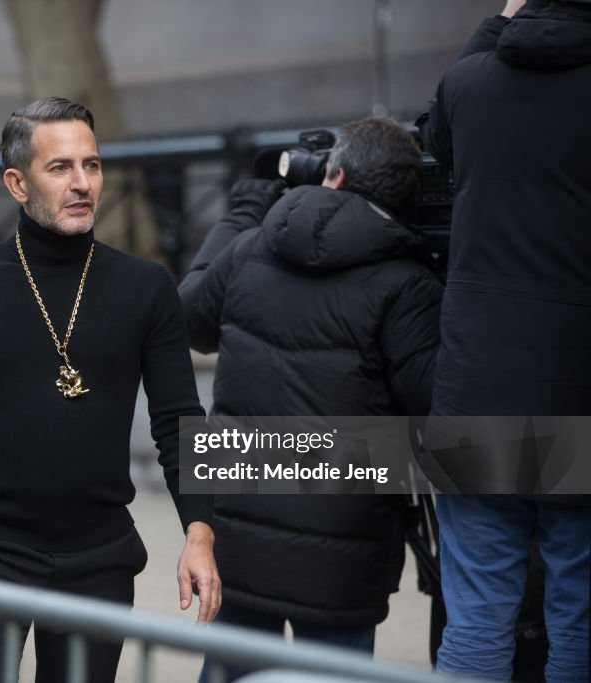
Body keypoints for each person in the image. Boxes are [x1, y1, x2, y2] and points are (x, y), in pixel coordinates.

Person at [0, 96, 220, 683]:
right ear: (17, 182)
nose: (82, 182)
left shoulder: (146, 288)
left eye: (91, 165)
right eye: (60, 167)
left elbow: (178, 420)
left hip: (99, 554)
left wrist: (199, 529)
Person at [179, 117, 443, 681]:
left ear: (335, 175)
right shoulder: (408, 282)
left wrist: (246, 205)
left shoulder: (251, 246)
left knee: (230, 668)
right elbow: (434, 413)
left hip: (240, 529)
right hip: (343, 548)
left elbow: (189, 320)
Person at [417, 1, 591, 681]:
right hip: (578, 387)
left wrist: (498, 16)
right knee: (578, 615)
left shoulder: (470, 84)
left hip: (477, 385)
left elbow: (438, 133)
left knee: (478, 614)